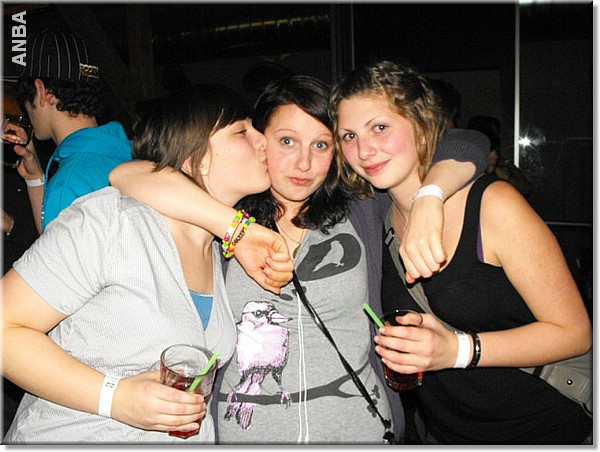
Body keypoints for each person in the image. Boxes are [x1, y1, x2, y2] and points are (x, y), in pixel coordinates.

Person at [110, 75, 489, 443]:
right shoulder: (226, 210)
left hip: (360, 430)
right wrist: (236, 229)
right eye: (287, 141)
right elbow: (127, 174)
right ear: (259, 141)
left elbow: (468, 141)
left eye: (321, 145)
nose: (303, 164)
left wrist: (429, 197)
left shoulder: (361, 206)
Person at [2, 84, 294, 444]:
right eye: (241, 131)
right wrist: (116, 398)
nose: (262, 139)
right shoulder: (113, 224)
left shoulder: (223, 252)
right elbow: (5, 329)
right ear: (196, 158)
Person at [330, 59, 592, 444]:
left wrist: (457, 350)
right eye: (349, 136)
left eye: (380, 128)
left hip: (542, 429)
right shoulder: (374, 215)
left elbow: (575, 334)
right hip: (446, 434)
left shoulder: (492, 205)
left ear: (421, 127)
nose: (364, 149)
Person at [3, 28, 132, 234]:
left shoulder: (68, 184)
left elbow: (54, 254)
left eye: (23, 95)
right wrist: (35, 179)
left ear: (42, 91)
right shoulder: (131, 154)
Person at [467, 115, 531, 196]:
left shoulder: (496, 171)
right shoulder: (467, 176)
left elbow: (525, 187)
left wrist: (508, 163)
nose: (495, 156)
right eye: (491, 149)